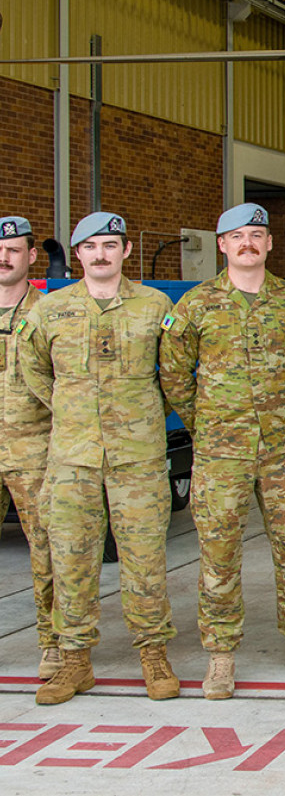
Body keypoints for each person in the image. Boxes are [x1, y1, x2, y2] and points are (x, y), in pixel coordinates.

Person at [160, 203, 285, 700]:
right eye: (237, 236)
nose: (248, 243)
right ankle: (220, 655)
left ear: (268, 243)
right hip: (220, 454)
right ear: (221, 245)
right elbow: (175, 375)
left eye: (256, 234)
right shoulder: (196, 305)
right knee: (218, 555)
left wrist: (283, 415)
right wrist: (209, 423)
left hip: (284, 451)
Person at [19, 212, 179, 704]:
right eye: (91, 247)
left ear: (127, 251)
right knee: (71, 561)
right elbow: (35, 372)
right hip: (73, 458)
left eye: (111, 245)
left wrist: (140, 415)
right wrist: (74, 411)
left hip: (139, 459)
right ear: (80, 254)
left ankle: (153, 654)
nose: (101, 254)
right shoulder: (50, 309)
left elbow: (173, 376)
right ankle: (74, 662)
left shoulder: (155, 307)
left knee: (145, 561)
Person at [0, 216, 57, 680]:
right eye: (0, 249)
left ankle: (54, 643)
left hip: (33, 448)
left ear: (31, 256)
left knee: (46, 549)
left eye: (14, 250)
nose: (4, 257)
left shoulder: (49, 314)